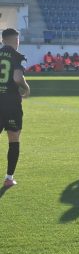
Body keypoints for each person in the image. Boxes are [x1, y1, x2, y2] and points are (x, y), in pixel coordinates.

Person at [0, 29, 30, 188]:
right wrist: (26, 87)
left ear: (2, 40)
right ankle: (9, 178)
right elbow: (17, 77)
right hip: (11, 103)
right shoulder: (17, 56)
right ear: (17, 40)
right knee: (13, 138)